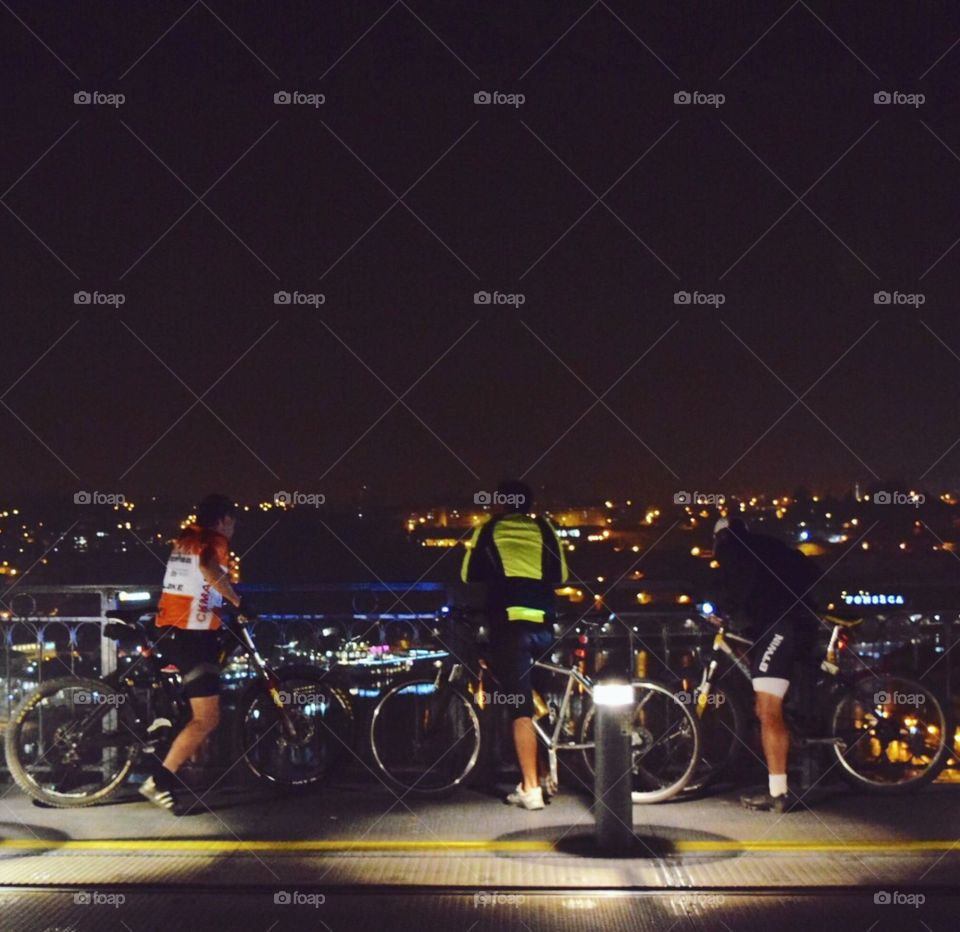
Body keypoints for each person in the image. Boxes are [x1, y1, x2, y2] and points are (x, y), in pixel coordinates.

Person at [139, 494, 254, 812]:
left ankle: (168, 749)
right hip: (190, 635)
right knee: (207, 718)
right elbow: (208, 570)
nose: (233, 528)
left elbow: (196, 584)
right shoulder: (214, 540)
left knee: (192, 709)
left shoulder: (186, 537)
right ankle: (158, 781)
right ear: (223, 520)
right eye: (233, 522)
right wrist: (238, 602)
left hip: (174, 629)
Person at [460, 479, 568, 810]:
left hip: (510, 625)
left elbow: (468, 573)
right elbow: (560, 574)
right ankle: (547, 775)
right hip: (544, 625)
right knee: (540, 702)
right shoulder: (545, 528)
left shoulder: (489, 529)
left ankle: (531, 789)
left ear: (501, 503)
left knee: (520, 708)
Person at [711, 516, 821, 813]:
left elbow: (737, 586)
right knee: (765, 708)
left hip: (779, 627)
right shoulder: (768, 545)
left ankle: (779, 795)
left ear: (720, 538)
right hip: (797, 623)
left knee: (769, 709)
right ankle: (780, 778)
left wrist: (722, 609)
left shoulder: (733, 549)